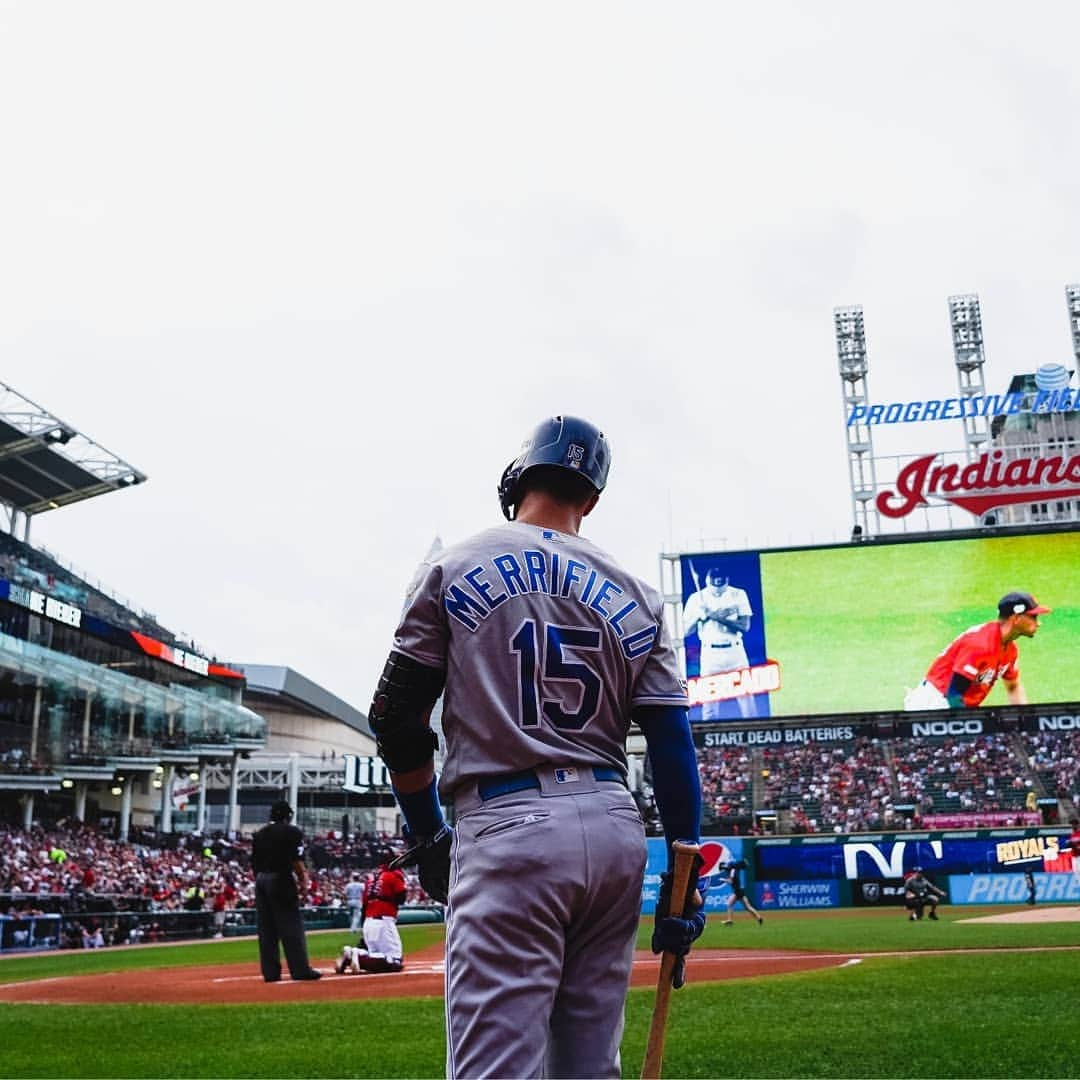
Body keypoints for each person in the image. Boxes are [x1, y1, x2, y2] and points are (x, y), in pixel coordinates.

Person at [368, 415, 704, 1079]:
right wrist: (685, 875)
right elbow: (670, 738)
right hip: (613, 827)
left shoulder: (455, 563)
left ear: (518, 477)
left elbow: (396, 718)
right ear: (593, 498)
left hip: (508, 822)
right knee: (588, 1066)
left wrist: (431, 835)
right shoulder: (637, 594)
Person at [904, 592, 1051, 711]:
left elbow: (1013, 687)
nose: (1038, 623)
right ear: (1016, 618)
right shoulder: (980, 645)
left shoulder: (1010, 650)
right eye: (1033, 617)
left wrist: (1027, 722)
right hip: (935, 704)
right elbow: (954, 695)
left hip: (958, 705)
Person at [251, 799, 321, 982]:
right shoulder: (292, 832)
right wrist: (303, 880)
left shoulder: (259, 834)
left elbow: (254, 863)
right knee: (290, 925)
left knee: (266, 929)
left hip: (261, 880)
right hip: (280, 878)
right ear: (287, 816)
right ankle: (300, 969)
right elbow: (296, 860)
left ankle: (270, 972)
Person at [682, 567, 757, 719]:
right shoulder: (696, 598)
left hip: (735, 651)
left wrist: (715, 616)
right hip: (710, 654)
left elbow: (745, 626)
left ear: (726, 580)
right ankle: (709, 741)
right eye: (714, 581)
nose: (717, 584)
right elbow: (685, 631)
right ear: (708, 580)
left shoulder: (738, 594)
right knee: (709, 703)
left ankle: (754, 733)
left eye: (720, 581)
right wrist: (700, 618)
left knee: (746, 698)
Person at [335, 861, 407, 974]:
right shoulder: (393, 875)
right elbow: (402, 897)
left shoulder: (372, 879)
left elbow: (364, 907)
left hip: (368, 922)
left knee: (376, 955)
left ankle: (351, 954)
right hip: (384, 921)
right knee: (395, 960)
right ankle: (358, 955)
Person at [720, 859, 763, 925]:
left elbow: (731, 881)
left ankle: (730, 920)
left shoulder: (733, 870)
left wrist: (723, 880)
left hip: (737, 891)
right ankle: (759, 918)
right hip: (739, 890)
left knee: (730, 904)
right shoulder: (735, 870)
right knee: (748, 907)